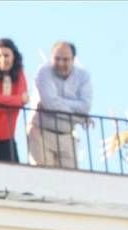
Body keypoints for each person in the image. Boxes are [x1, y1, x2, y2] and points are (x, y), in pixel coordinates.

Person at [27, 41, 92, 169]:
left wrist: (58, 103)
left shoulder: (83, 76)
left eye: (65, 59)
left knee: (70, 183)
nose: (61, 63)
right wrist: (79, 117)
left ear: (73, 59)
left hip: (67, 137)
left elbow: (85, 106)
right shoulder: (44, 72)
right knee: (44, 180)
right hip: (41, 133)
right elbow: (50, 103)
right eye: (57, 59)